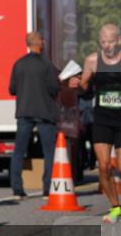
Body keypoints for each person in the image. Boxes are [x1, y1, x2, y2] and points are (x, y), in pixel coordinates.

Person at [69, 23, 121, 223]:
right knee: (104, 166)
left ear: (119, 40)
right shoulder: (92, 60)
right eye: (103, 42)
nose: (107, 46)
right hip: (102, 119)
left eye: (111, 42)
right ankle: (115, 207)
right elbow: (84, 88)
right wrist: (76, 84)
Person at [8, 31, 61, 199]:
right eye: (42, 40)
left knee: (19, 150)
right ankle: (47, 189)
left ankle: (17, 189)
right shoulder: (47, 64)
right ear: (40, 43)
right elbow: (54, 88)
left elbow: (12, 89)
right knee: (49, 152)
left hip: (24, 112)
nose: (44, 42)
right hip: (45, 112)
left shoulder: (18, 64)